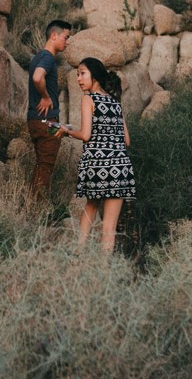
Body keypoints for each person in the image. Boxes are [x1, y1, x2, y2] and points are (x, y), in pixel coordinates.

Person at [56, 57, 136, 252]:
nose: (78, 79)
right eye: (77, 75)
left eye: (82, 73)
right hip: (120, 167)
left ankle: (79, 253)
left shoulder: (88, 99)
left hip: (98, 165)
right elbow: (127, 141)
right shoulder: (115, 102)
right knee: (109, 228)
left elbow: (85, 135)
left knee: (91, 207)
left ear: (95, 76)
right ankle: (104, 273)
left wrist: (66, 131)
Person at [26, 19, 72, 200]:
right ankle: (37, 212)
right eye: (66, 37)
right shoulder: (47, 58)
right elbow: (38, 78)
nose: (67, 42)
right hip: (46, 122)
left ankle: (31, 207)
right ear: (54, 35)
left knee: (40, 166)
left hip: (36, 121)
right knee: (45, 168)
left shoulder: (37, 57)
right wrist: (46, 97)